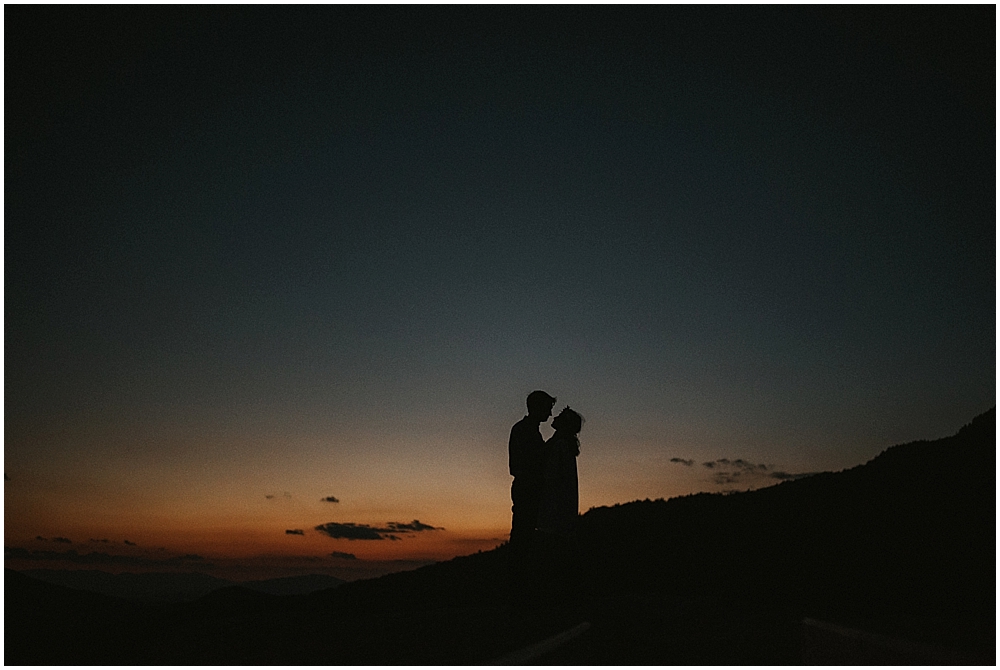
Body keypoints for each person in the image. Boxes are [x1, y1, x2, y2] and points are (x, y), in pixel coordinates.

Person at [508, 390, 556, 549]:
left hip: (527, 488)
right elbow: (535, 459)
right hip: (527, 489)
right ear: (537, 407)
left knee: (524, 535)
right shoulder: (525, 430)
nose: (550, 414)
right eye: (548, 408)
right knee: (523, 537)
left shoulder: (528, 429)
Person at [537, 407, 584, 536]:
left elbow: (551, 475)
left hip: (555, 505)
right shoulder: (562, 443)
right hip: (558, 504)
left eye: (560, 416)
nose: (555, 417)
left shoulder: (560, 445)